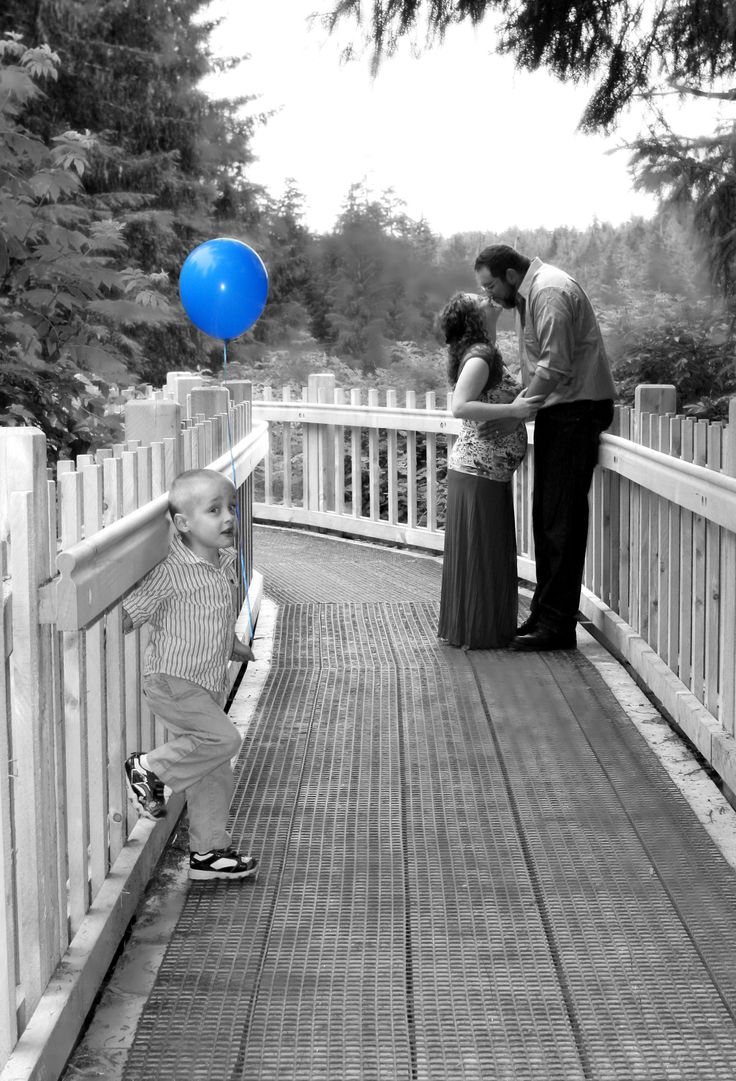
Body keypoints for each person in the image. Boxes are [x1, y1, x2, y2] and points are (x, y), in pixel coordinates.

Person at [474, 244, 616, 651]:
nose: (489, 296)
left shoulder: (549, 291)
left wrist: (517, 413)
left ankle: (556, 626)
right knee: (547, 519)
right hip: (562, 413)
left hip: (577, 413)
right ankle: (544, 615)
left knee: (561, 523)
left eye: (490, 286)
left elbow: (555, 365)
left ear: (510, 275)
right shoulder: (530, 294)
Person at [122, 468, 258, 882]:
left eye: (230, 508)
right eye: (213, 510)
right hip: (172, 679)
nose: (228, 518)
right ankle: (151, 769)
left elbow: (211, 614)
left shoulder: (225, 562)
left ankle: (208, 853)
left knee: (215, 767)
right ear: (183, 524)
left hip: (206, 681)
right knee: (224, 740)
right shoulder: (171, 571)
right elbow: (131, 614)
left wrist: (231, 642)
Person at [438, 292, 543, 649]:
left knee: (485, 552)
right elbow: (461, 407)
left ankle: (480, 628)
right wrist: (514, 413)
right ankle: (480, 631)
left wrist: (517, 409)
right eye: (477, 297)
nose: (487, 296)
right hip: (477, 471)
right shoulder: (481, 356)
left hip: (484, 472)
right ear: (472, 317)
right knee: (482, 552)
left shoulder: (485, 352)